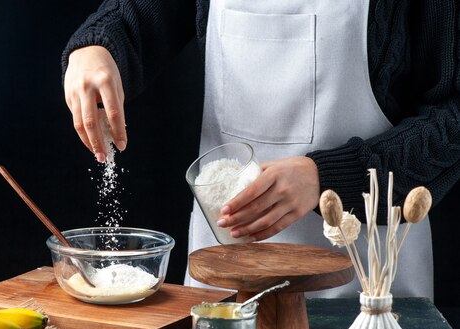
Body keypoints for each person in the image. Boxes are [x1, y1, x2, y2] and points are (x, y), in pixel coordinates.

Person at [61, 0, 460, 299]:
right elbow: (135, 18)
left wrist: (325, 178)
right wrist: (96, 49)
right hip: (225, 283)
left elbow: (451, 120)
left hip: (370, 287)